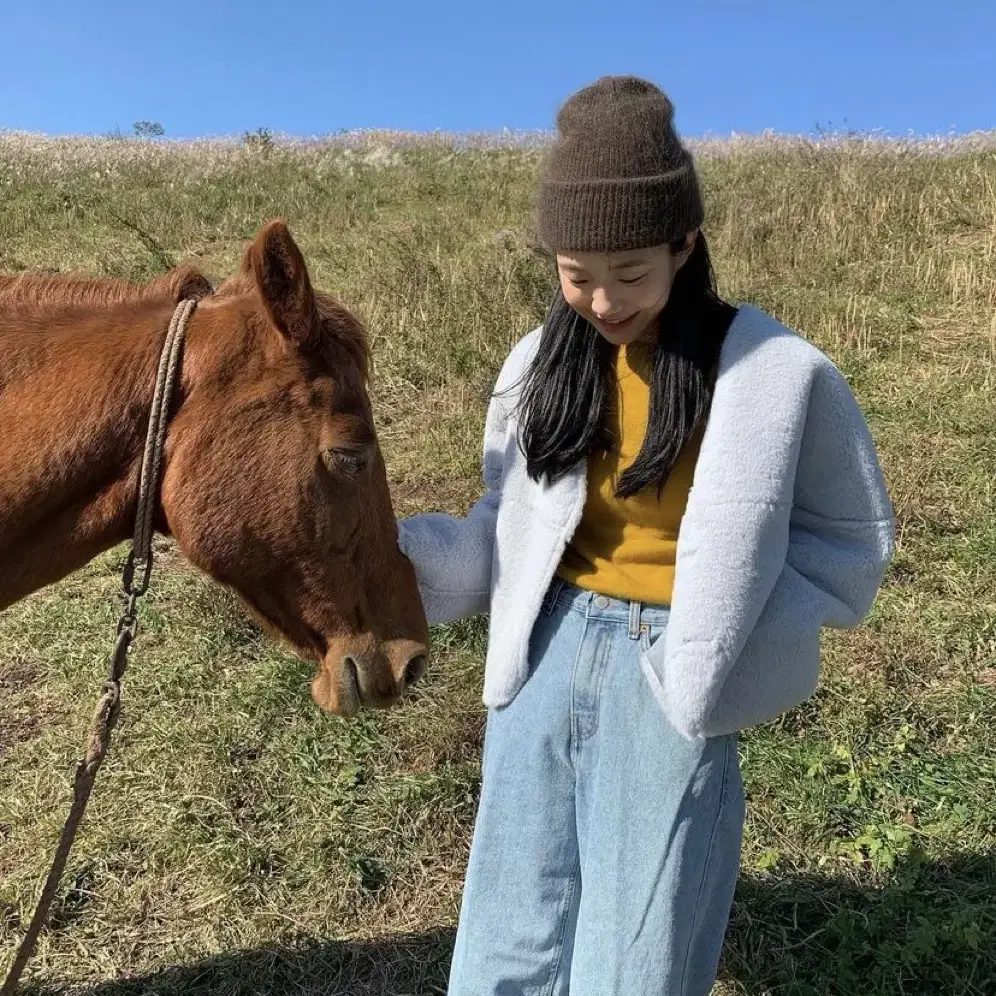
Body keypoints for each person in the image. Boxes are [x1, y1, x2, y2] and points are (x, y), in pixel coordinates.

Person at [397, 75, 894, 996]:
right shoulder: (539, 364)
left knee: (637, 952)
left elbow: (848, 534)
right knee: (510, 926)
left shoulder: (772, 372)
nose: (603, 300)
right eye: (576, 273)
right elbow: (505, 524)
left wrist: (724, 653)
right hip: (541, 653)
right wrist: (391, 563)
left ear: (685, 244)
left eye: (632, 272)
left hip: (668, 662)